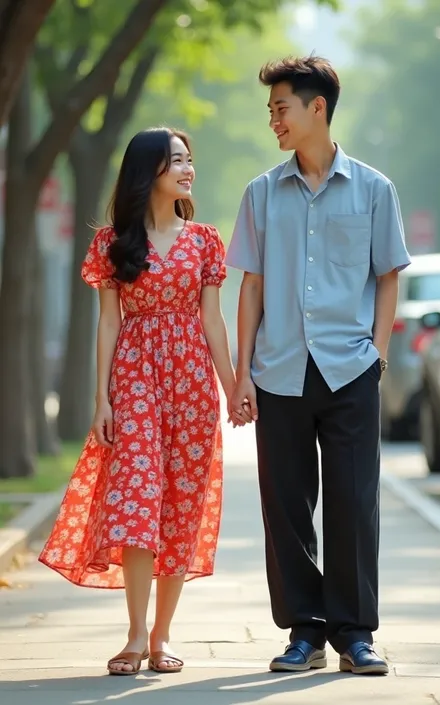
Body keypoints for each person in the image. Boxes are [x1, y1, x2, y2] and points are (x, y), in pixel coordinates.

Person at [226, 56, 411, 676]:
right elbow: (250, 286)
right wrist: (241, 372)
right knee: (285, 504)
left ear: (317, 109)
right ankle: (303, 631)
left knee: (355, 502)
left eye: (281, 107)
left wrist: (378, 353)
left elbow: (388, 277)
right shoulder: (260, 192)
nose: (273, 119)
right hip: (279, 369)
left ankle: (355, 634)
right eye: (271, 110)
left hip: (350, 368)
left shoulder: (374, 188)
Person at [39, 126, 246, 676]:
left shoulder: (204, 240)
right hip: (134, 374)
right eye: (175, 160)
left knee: (180, 505)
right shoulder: (112, 243)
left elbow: (212, 320)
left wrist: (232, 389)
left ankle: (162, 637)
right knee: (136, 498)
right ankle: (133, 634)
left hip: (193, 381)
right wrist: (102, 398)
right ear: (147, 170)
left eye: (189, 159)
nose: (187, 169)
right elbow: (108, 323)